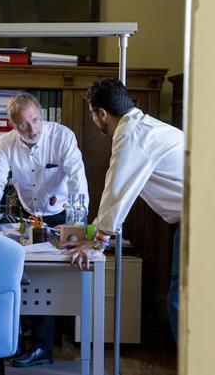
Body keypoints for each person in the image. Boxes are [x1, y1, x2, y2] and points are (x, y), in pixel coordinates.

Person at [62, 78, 184, 338]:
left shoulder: (131, 136)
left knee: (181, 297)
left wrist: (98, 240)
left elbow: (117, 189)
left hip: (199, 220)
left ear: (101, 114)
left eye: (92, 114)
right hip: (196, 216)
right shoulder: (145, 126)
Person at [0, 92, 89, 367]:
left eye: (35, 120)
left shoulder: (62, 136)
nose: (32, 128)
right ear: (14, 126)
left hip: (63, 217)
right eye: (24, 125)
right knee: (20, 275)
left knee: (47, 279)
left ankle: (43, 347)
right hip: (29, 217)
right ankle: (18, 340)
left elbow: (79, 184)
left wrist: (79, 232)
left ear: (42, 116)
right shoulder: (6, 144)